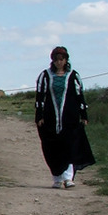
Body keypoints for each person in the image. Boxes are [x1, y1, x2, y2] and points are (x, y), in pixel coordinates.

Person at [35, 46, 95, 189]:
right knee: (52, 148)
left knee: (70, 146)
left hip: (70, 117)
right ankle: (57, 178)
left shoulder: (73, 75)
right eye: (56, 60)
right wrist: (39, 116)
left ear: (66, 60)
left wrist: (83, 115)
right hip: (50, 118)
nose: (59, 63)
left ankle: (68, 178)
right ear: (53, 61)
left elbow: (80, 95)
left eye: (61, 60)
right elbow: (40, 96)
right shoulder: (45, 76)